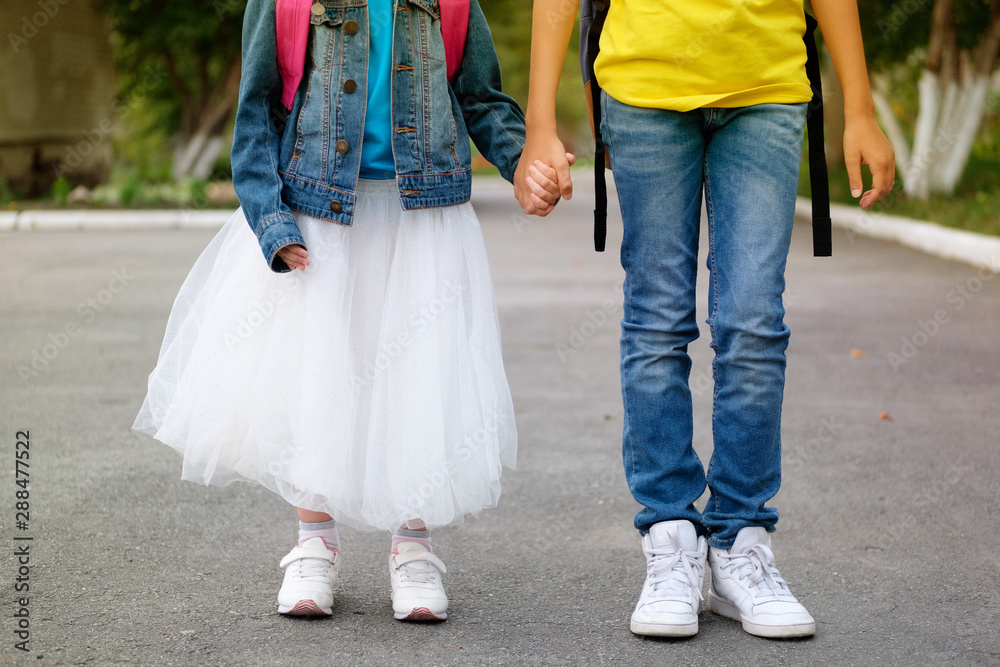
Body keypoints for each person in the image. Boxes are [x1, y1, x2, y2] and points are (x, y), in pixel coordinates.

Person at [134, 0, 566, 622]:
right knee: (319, 376)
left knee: (417, 376)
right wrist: (271, 220)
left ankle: (413, 547)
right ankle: (315, 542)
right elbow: (258, 110)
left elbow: (481, 100)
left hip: (423, 219)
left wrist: (524, 164)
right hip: (320, 214)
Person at [515, 0, 894, 638]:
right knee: (657, 317)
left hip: (767, 84)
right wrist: (540, 122)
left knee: (753, 322)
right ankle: (670, 536)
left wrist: (860, 109)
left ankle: (741, 540)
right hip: (643, 85)